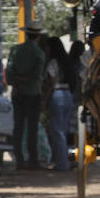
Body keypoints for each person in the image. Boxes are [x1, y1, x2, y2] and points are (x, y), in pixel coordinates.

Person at [6, 18, 47, 170]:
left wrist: (17, 80)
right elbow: (37, 76)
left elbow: (9, 73)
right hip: (33, 94)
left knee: (18, 127)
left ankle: (19, 159)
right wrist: (26, 79)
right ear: (38, 36)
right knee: (32, 128)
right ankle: (33, 159)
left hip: (17, 93)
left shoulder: (15, 50)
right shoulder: (39, 53)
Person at [41, 35, 76, 171]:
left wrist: (44, 100)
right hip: (68, 95)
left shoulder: (52, 63)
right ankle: (64, 160)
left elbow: (50, 83)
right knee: (64, 131)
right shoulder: (66, 62)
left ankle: (62, 164)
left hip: (57, 95)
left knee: (57, 131)